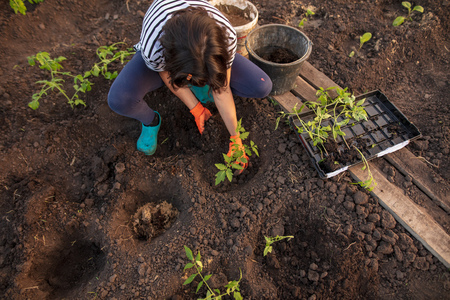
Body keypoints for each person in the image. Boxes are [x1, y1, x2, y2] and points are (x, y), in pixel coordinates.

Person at [108, 0, 272, 170]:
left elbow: (222, 90)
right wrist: (196, 108)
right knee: (120, 99)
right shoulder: (154, 47)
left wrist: (235, 138)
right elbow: (166, 73)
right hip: (166, 58)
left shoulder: (225, 35)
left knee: (261, 86)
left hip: (194, 59)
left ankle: (200, 84)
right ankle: (151, 121)